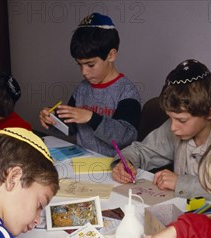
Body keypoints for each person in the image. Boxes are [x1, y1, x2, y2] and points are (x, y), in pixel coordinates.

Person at [111, 59, 211, 198]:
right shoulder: (177, 129)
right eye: (170, 118)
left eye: (182, 120)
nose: (173, 127)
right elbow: (142, 150)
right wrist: (125, 162)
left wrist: (180, 183)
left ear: (209, 113)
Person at [38, 12, 141, 156]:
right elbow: (71, 129)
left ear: (111, 55)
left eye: (90, 65)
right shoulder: (82, 89)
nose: (84, 72)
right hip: (84, 161)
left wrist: (91, 117)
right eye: (79, 65)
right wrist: (53, 119)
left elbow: (126, 138)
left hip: (115, 168)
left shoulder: (126, 91)